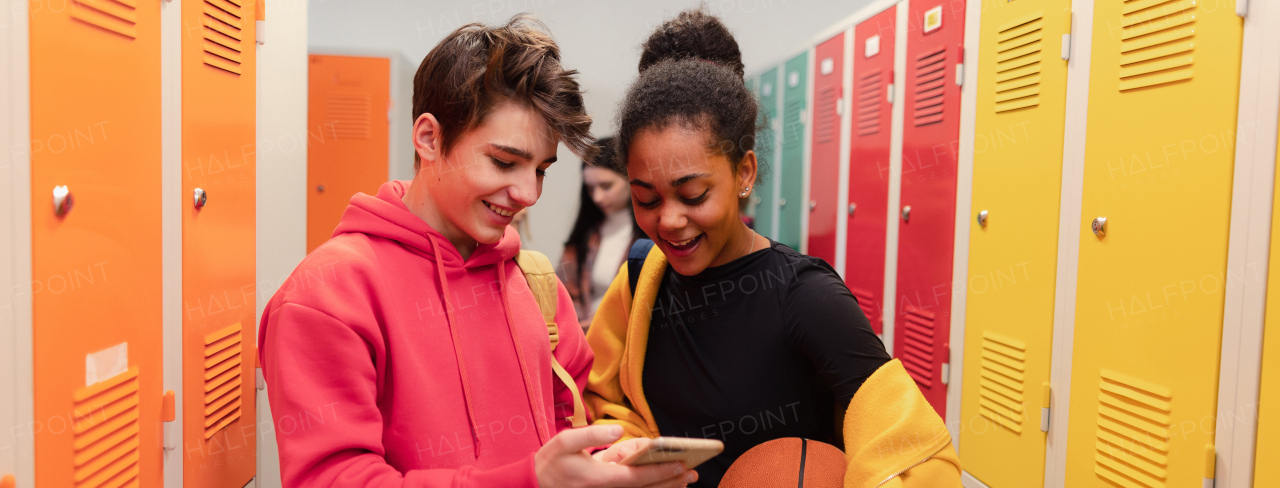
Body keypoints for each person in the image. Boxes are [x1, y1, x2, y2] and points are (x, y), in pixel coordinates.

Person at [259, 16, 697, 487]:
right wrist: (531, 481)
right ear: (429, 138)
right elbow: (334, 480)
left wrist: (606, 459)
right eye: (504, 162)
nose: (528, 193)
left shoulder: (536, 282)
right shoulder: (325, 296)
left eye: (542, 170)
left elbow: (571, 426)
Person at [584, 9, 898, 487]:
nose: (668, 221)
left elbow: (908, 450)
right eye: (646, 198)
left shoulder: (807, 296)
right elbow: (601, 399)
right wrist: (623, 449)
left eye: (693, 195)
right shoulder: (640, 278)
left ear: (744, 173)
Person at [560, 137, 644, 333]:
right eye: (590, 189)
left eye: (606, 186)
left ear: (631, 179)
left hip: (629, 341)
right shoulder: (586, 234)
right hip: (585, 340)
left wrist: (603, 321)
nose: (597, 197)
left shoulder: (651, 233)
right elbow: (562, 292)